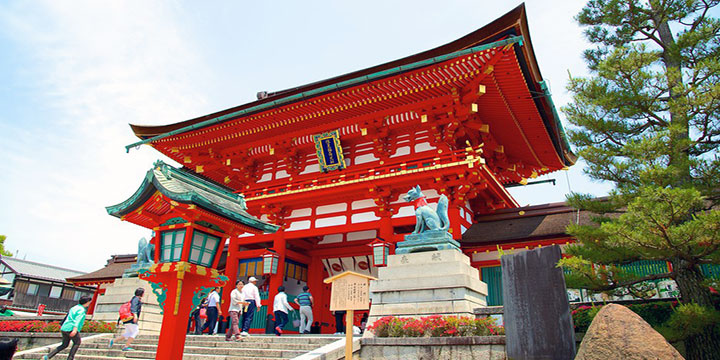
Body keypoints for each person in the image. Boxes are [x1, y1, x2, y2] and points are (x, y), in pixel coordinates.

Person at [44, 295, 92, 360]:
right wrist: (75, 330)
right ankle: (70, 358)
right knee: (77, 342)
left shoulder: (74, 307)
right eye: (89, 302)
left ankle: (48, 356)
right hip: (71, 328)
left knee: (64, 344)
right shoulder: (81, 310)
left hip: (65, 327)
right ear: (87, 302)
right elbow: (77, 320)